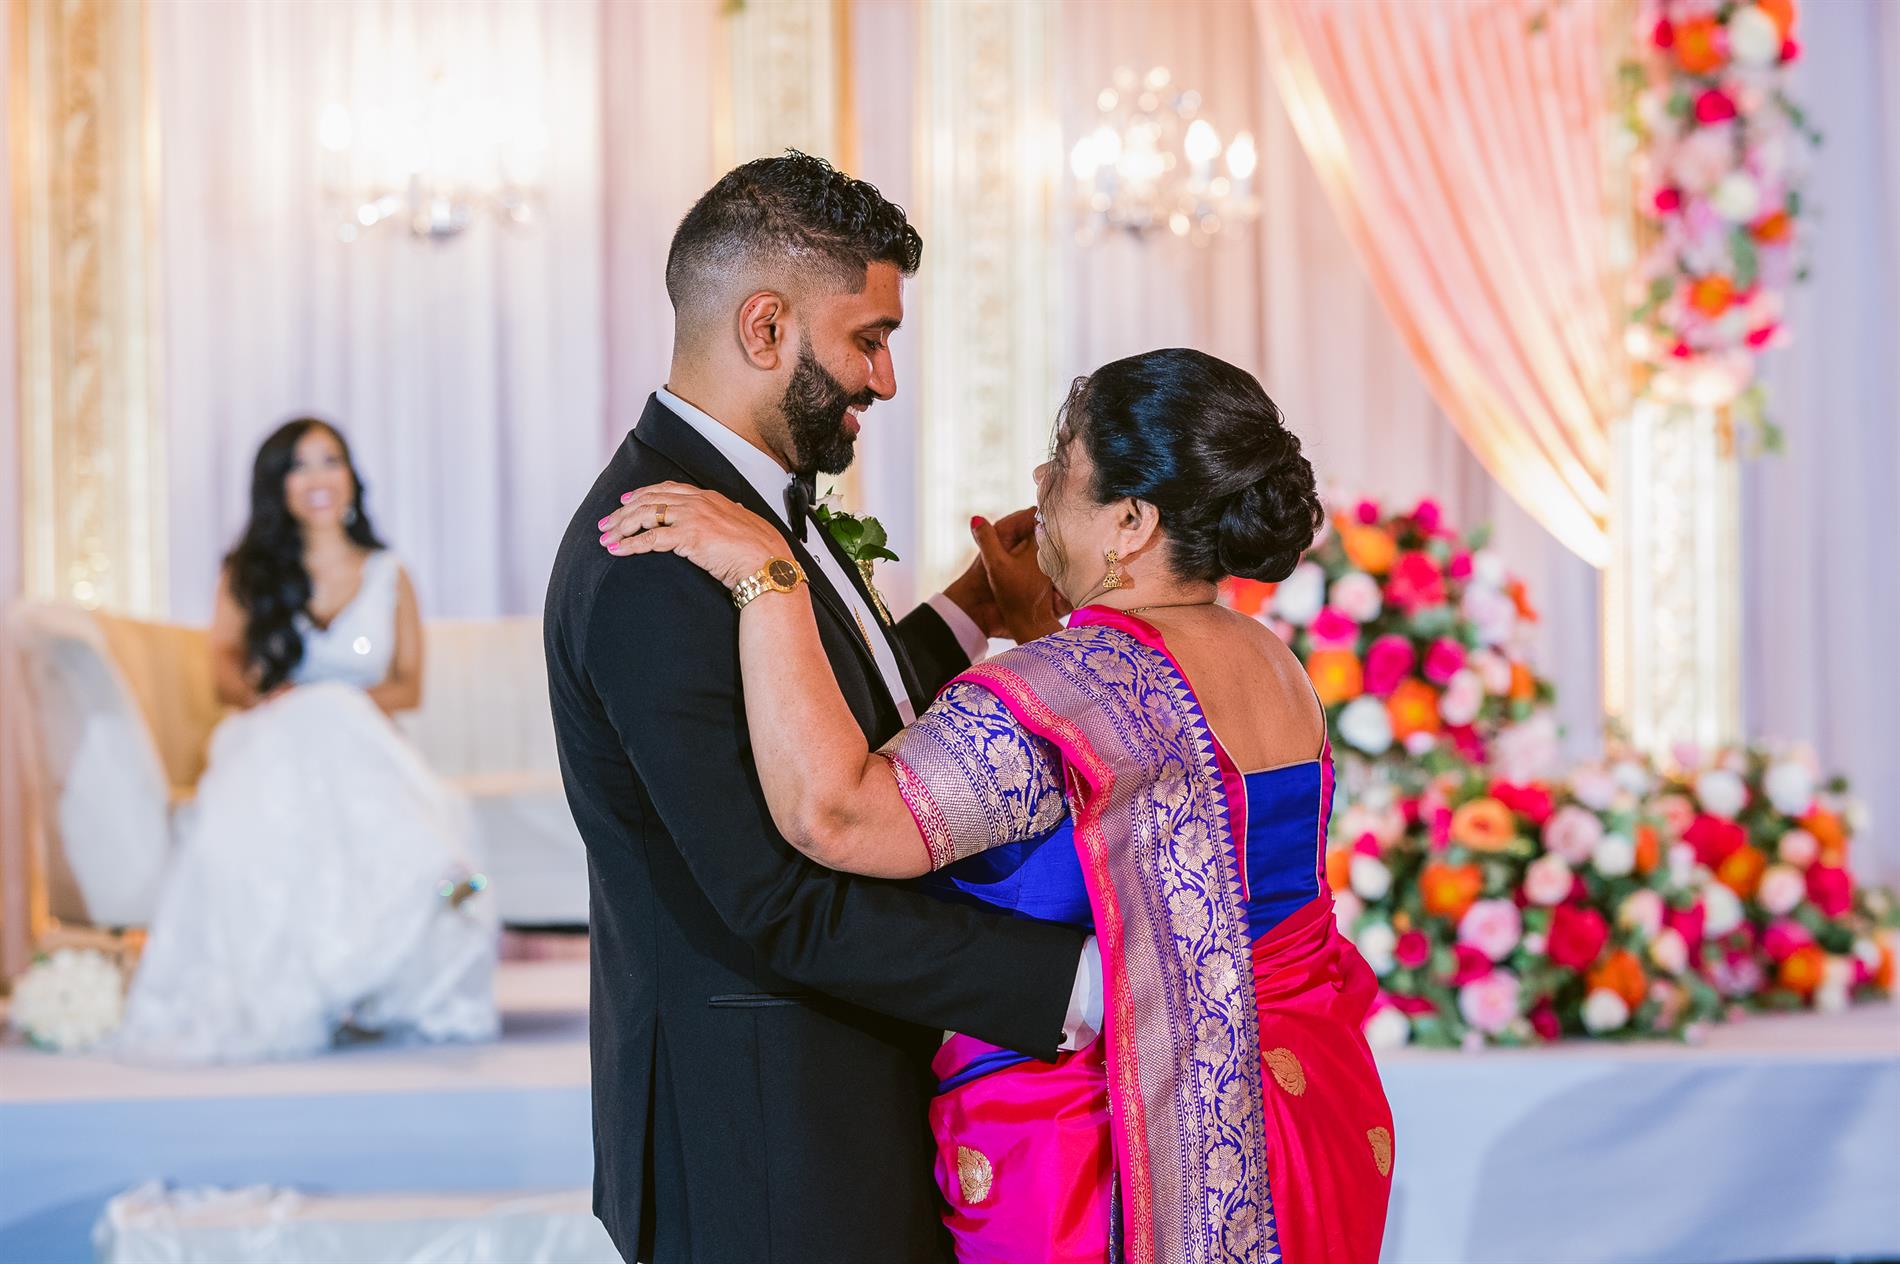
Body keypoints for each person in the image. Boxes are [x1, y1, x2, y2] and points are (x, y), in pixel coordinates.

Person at [601, 348, 1396, 1263]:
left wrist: (768, 577)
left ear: (1132, 520)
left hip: (1103, 1146)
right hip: (1296, 1106)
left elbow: (837, 817)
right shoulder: (1271, 663)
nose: (1040, 477)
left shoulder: (1070, 686)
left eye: (1066, 459)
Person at [543, 152, 1098, 1264]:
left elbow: (826, 714)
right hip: (760, 1134)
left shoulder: (743, 508)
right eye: (868, 338)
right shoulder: (656, 558)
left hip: (821, 1100)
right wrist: (1072, 981)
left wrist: (972, 609)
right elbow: (778, 896)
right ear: (766, 327)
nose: (884, 379)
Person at [116, 418, 498, 1064]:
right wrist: (287, 700)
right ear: (278, 485)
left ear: (351, 476)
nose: (318, 477)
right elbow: (225, 674)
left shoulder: (389, 573)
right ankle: (304, 984)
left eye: (330, 460)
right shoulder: (247, 572)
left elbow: (407, 687)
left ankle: (374, 978)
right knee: (276, 790)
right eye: (299, 465)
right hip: (273, 740)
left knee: (392, 799)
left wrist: (331, 703)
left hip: (365, 747)